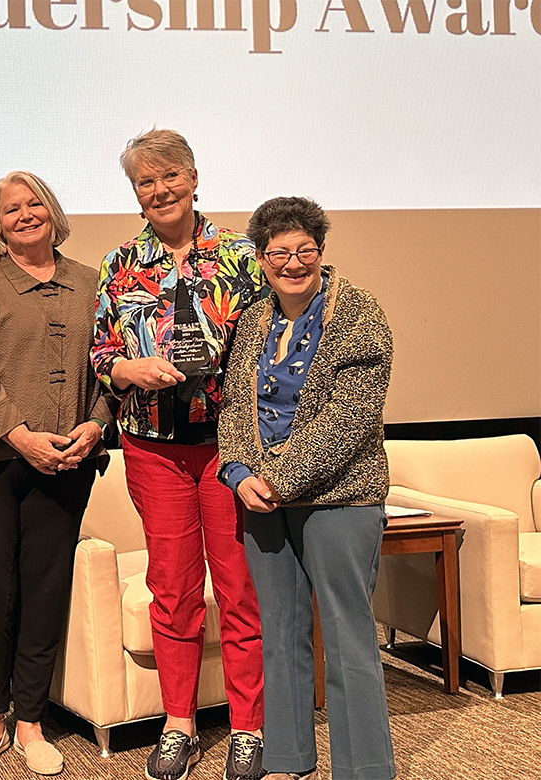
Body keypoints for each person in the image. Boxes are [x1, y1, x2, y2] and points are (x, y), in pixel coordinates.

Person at [90, 129, 266, 780]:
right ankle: (179, 724)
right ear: (134, 193)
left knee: (240, 587)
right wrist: (127, 370)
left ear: (194, 178)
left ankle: (248, 726)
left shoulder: (243, 256)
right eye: (145, 181)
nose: (160, 189)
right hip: (153, 447)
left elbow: (268, 344)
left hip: (230, 447)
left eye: (170, 176)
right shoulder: (119, 263)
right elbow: (102, 351)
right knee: (173, 588)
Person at [217, 197, 396, 780]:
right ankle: (288, 758)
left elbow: (348, 420)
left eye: (304, 251)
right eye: (278, 253)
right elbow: (235, 410)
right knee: (280, 633)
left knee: (347, 637)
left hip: (341, 497)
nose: (292, 263)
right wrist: (240, 475)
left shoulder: (359, 314)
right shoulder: (253, 317)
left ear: (320, 250)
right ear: (262, 259)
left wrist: (277, 477)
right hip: (263, 502)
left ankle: (363, 768)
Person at [0, 171, 113, 776]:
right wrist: (21, 438)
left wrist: (96, 425)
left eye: (34, 202)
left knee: (46, 591)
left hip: (70, 458)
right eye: (10, 208)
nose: (24, 214)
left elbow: (110, 366)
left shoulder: (93, 283)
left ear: (53, 210)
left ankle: (31, 722)